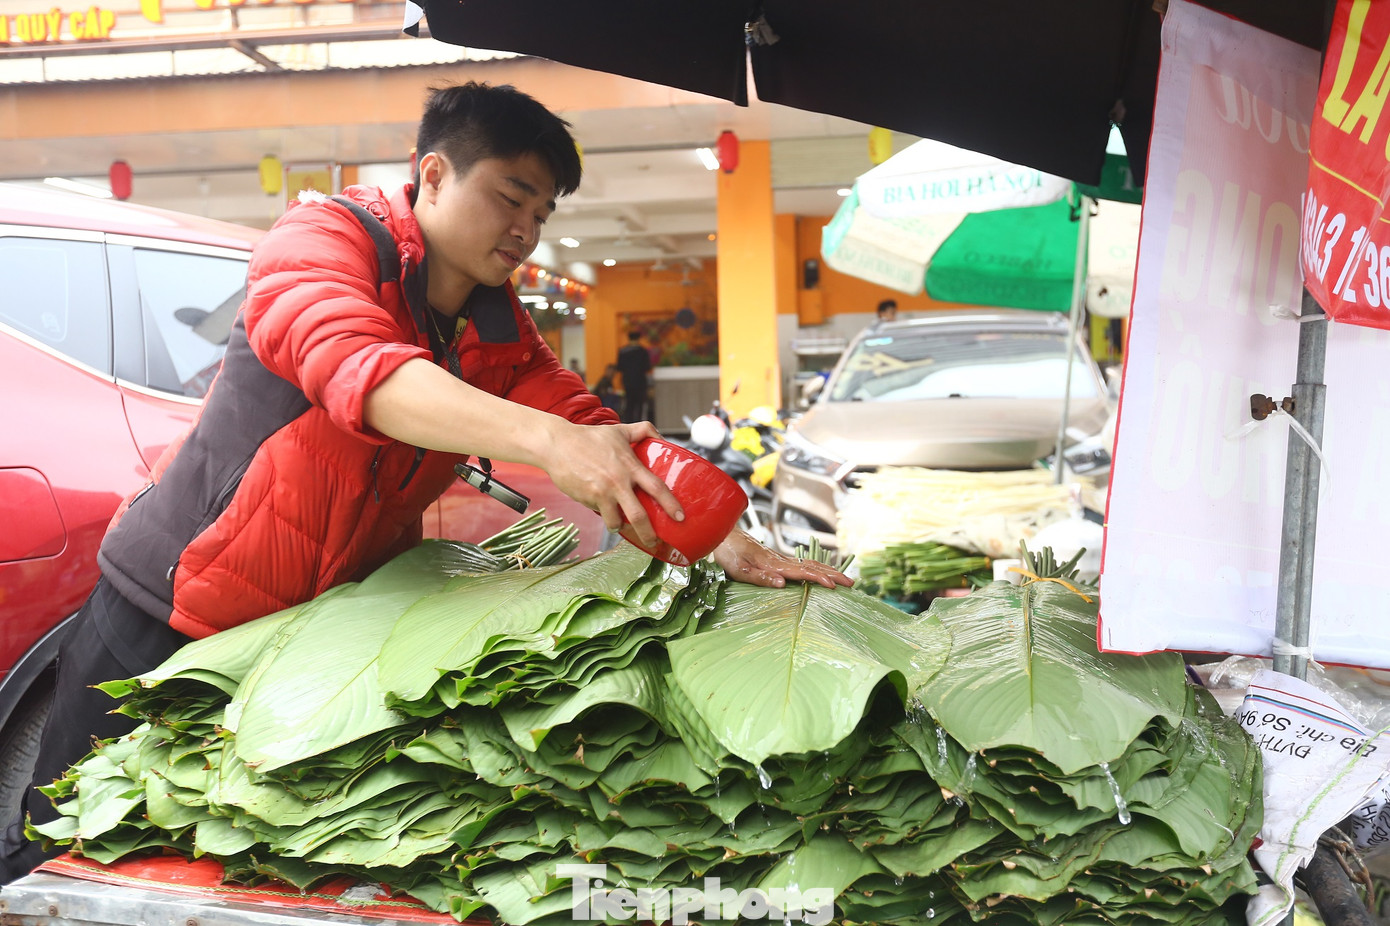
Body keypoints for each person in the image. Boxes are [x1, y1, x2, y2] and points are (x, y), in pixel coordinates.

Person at [0, 81, 849, 885]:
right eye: (510, 196)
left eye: (542, 212)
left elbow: (598, 439)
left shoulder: (494, 323)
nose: (526, 228)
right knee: (67, 836)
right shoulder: (321, 241)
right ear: (433, 174)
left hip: (313, 641)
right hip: (173, 608)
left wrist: (717, 539)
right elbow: (357, 366)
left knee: (216, 859)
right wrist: (544, 439)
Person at [615, 329, 652, 424]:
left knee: (629, 404)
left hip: (627, 382)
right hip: (640, 382)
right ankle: (639, 424)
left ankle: (628, 424)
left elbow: (619, 367)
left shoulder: (622, 351)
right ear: (638, 339)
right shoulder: (642, 351)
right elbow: (647, 367)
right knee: (639, 405)